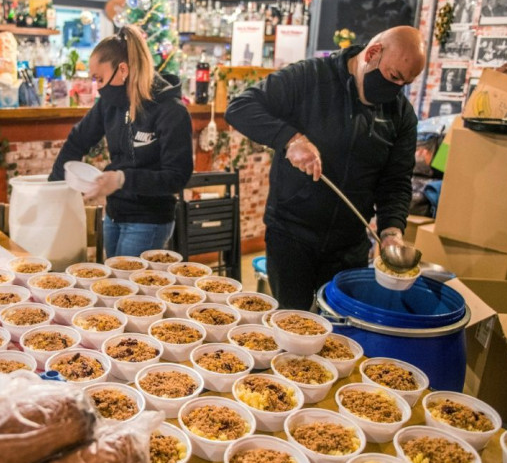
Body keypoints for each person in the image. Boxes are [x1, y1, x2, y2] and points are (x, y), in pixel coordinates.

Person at [225, 26, 426, 310]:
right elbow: (240, 107)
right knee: (292, 324)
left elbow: (396, 180)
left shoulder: (401, 114)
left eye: (404, 83)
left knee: (338, 332)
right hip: (292, 233)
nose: (395, 88)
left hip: (349, 245)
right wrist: (291, 140)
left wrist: (392, 231)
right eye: (393, 76)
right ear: (372, 53)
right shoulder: (311, 77)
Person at [49, 25, 193, 258]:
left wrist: (122, 179)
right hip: (115, 214)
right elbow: (78, 140)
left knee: (125, 290)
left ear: (123, 70)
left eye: (100, 78)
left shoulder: (171, 111)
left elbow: (176, 177)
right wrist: (53, 188)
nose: (98, 88)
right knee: (113, 287)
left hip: (150, 221)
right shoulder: (110, 104)